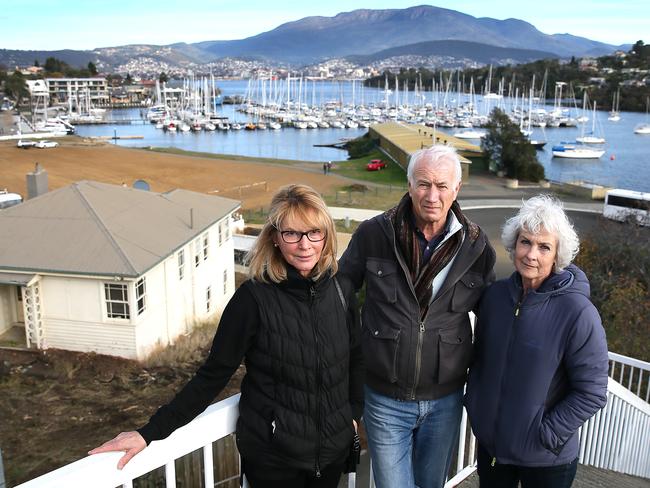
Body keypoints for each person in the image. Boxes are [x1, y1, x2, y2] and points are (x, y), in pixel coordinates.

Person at [90, 184, 364, 488]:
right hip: (273, 461)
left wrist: (352, 415)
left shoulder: (341, 290)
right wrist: (149, 432)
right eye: (292, 234)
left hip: (329, 458)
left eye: (315, 232)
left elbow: (356, 359)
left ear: (326, 236)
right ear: (274, 238)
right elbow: (212, 376)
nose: (305, 245)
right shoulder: (253, 299)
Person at [338, 144, 496, 488]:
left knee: (430, 484)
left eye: (442, 186)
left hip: (445, 400)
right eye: (423, 184)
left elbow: (494, 316)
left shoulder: (476, 246)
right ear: (409, 185)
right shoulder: (375, 234)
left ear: (456, 190)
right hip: (383, 398)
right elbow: (338, 293)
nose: (432, 195)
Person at [465, 194, 609, 488]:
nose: (531, 254)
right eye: (526, 242)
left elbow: (592, 391)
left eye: (544, 247)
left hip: (547, 461)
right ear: (514, 245)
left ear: (557, 255)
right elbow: (483, 360)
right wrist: (477, 407)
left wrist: (547, 434)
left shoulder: (578, 312)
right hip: (493, 450)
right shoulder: (494, 298)